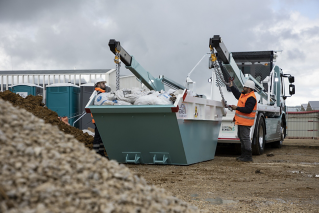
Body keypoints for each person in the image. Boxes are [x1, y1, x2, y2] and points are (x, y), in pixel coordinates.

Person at [229, 79, 257, 162]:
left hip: (246, 122)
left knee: (245, 138)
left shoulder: (251, 98)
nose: (243, 88)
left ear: (249, 88)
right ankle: (244, 155)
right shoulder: (244, 95)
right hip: (241, 121)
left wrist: (236, 108)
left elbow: (248, 110)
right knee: (242, 138)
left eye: (244, 87)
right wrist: (232, 87)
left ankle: (248, 156)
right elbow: (237, 95)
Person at [91, 78, 108, 157]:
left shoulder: (101, 93)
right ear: (98, 84)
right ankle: (96, 154)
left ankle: (100, 153)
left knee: (101, 137)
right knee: (98, 137)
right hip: (98, 119)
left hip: (100, 118)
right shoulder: (98, 94)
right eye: (103, 83)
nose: (105, 85)